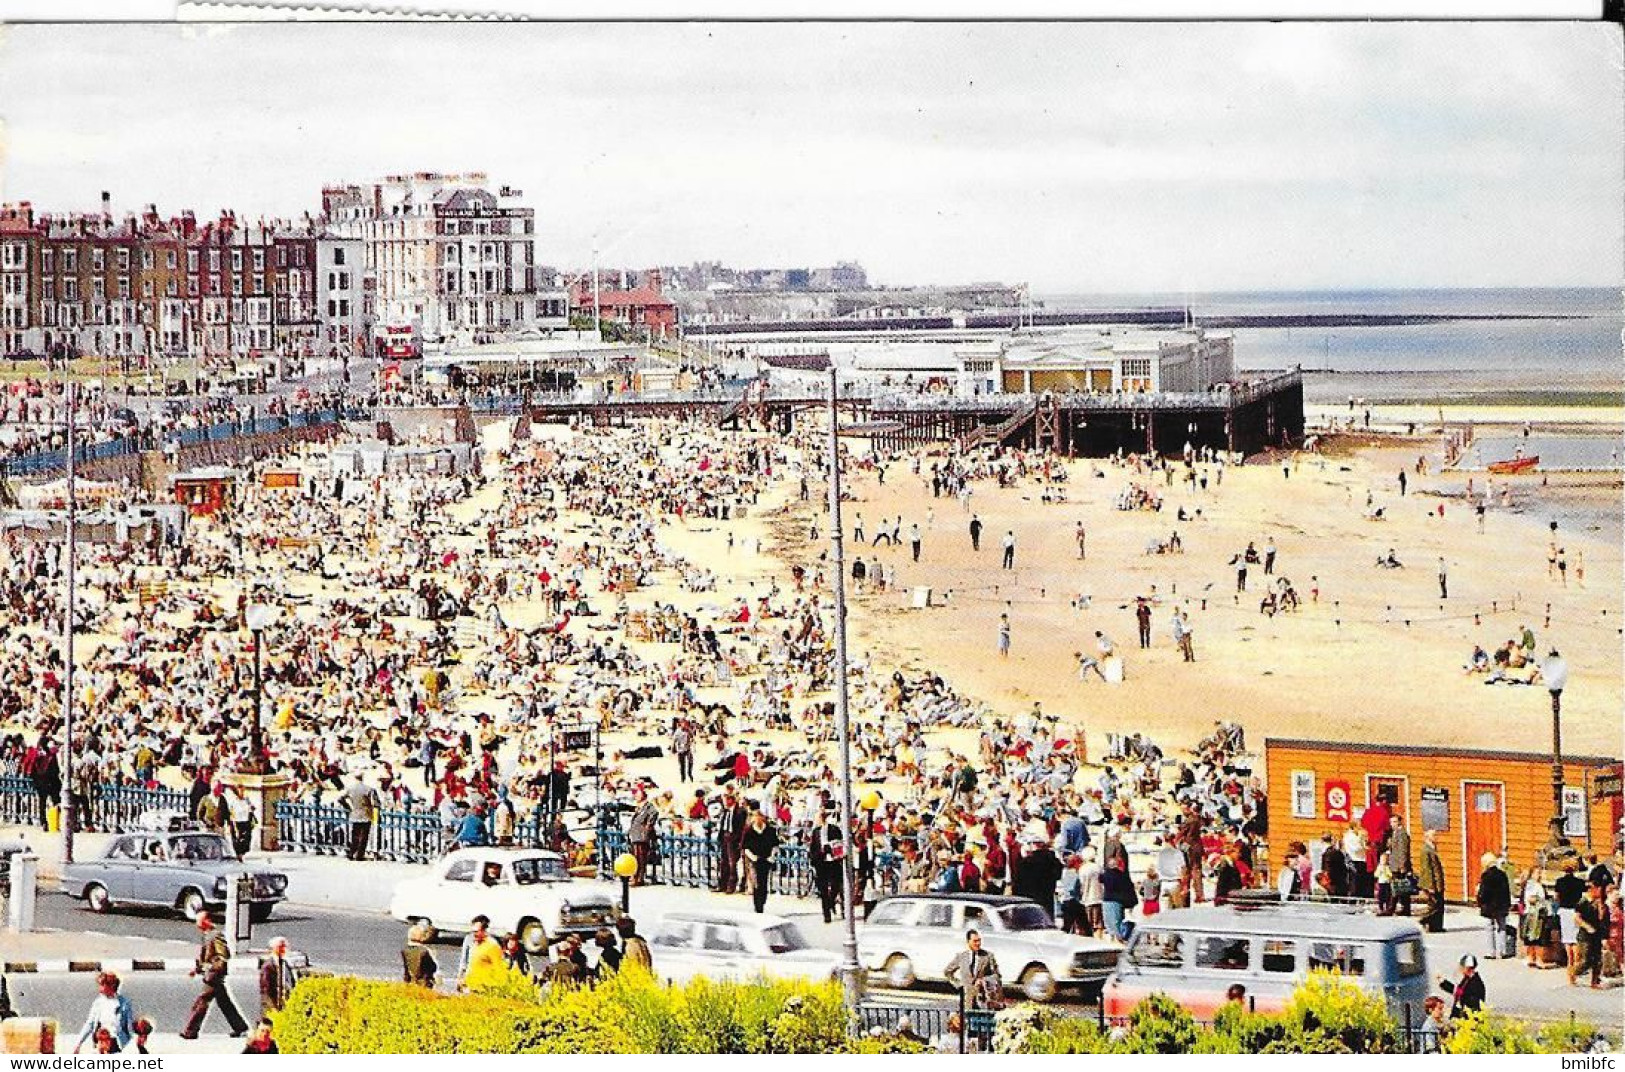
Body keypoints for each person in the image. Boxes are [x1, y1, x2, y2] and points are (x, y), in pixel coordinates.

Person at [180, 911, 248, 1040]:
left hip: (214, 976)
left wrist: (212, 969)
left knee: (202, 1001)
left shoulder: (216, 935)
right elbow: (206, 956)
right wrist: (197, 969)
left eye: (199, 921)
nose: (197, 924)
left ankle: (190, 1031)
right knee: (224, 1002)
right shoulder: (207, 935)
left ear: (206, 920)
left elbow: (224, 956)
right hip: (211, 974)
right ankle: (240, 1027)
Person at [74, 972, 136, 1054]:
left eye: (102, 985)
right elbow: (90, 1024)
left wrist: (131, 1048)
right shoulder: (98, 1003)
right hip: (100, 1041)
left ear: (112, 986)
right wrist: (79, 1043)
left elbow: (129, 1028)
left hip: (116, 1043)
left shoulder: (124, 1003)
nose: (100, 988)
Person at [943, 930, 1003, 1011]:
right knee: (968, 1021)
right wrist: (959, 985)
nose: (978, 943)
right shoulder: (961, 956)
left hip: (983, 998)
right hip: (967, 999)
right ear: (968, 942)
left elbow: (997, 975)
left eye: (979, 941)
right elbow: (947, 972)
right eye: (975, 941)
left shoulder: (988, 956)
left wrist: (983, 981)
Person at [741, 809, 780, 913]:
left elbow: (775, 845)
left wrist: (772, 856)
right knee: (756, 882)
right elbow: (745, 847)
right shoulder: (749, 830)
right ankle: (757, 906)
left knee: (764, 882)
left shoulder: (770, 830)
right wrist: (752, 856)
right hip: (754, 860)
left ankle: (762, 901)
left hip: (766, 859)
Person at [1475, 852, 1512, 958]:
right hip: (1501, 905)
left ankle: (1491, 952)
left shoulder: (1486, 876)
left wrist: (1479, 901)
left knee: (1489, 928)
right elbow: (1506, 891)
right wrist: (1507, 904)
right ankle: (1502, 951)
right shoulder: (1502, 874)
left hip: (1489, 906)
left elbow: (1484, 892)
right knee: (1502, 927)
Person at [1574, 881, 1608, 989]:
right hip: (1585, 934)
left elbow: (1601, 918)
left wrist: (1600, 906)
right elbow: (1576, 918)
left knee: (1597, 960)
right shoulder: (1583, 902)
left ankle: (1594, 981)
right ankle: (1573, 973)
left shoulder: (1600, 903)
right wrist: (1587, 926)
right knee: (1586, 960)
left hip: (1597, 933)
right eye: (1597, 889)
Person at [456, 915, 503, 992]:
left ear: (484, 931)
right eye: (473, 931)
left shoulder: (493, 946)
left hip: (484, 989)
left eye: (476, 931)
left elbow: (499, 970)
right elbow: (466, 962)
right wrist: (461, 978)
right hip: (471, 987)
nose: (473, 934)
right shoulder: (474, 943)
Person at [258, 936, 299, 1015]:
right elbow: (266, 989)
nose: (284, 949)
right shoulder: (268, 966)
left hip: (284, 1004)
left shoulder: (285, 963)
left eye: (284, 946)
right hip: (272, 1007)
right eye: (281, 946)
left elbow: (290, 982)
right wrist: (273, 1008)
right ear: (274, 948)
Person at [342, 773, 378, 861]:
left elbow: (340, 798)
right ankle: (359, 854)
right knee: (364, 836)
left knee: (355, 835)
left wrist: (347, 806)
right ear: (362, 777)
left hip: (355, 813)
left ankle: (351, 853)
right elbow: (375, 803)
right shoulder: (369, 789)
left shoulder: (350, 789)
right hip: (366, 814)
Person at [627, 790, 660, 886]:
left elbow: (654, 814)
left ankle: (639, 878)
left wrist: (647, 827)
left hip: (641, 836)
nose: (636, 797)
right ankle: (634, 876)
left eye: (637, 795)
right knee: (635, 857)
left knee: (640, 858)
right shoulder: (638, 808)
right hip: (635, 835)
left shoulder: (648, 807)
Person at [1418, 831, 1446, 933]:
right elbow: (1427, 869)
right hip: (1432, 883)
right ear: (1427, 837)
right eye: (1434, 835)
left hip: (1437, 882)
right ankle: (1424, 920)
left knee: (1439, 905)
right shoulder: (1426, 850)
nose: (1436, 837)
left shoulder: (1432, 848)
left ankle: (1436, 926)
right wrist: (1430, 885)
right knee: (1435, 905)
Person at [402, 921, 439, 987]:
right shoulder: (424, 951)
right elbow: (433, 967)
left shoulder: (405, 951)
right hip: (424, 981)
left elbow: (406, 969)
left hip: (412, 980)